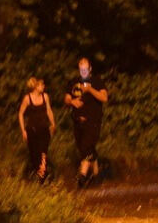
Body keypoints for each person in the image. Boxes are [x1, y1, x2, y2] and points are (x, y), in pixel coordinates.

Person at [64, 57, 108, 187]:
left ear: (90, 69)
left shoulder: (97, 82)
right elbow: (66, 98)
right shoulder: (73, 82)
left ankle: (82, 177)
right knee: (86, 148)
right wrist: (72, 102)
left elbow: (104, 97)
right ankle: (96, 174)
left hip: (93, 121)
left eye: (85, 69)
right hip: (78, 122)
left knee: (85, 147)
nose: (83, 72)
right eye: (81, 69)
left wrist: (90, 90)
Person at [17, 77, 56, 182]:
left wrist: (53, 123)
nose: (43, 87)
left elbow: (48, 110)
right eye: (41, 85)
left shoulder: (45, 96)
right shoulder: (27, 98)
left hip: (44, 129)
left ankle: (43, 178)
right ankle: (40, 176)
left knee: (43, 153)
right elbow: (20, 113)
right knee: (34, 155)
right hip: (32, 130)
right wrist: (23, 130)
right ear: (36, 87)